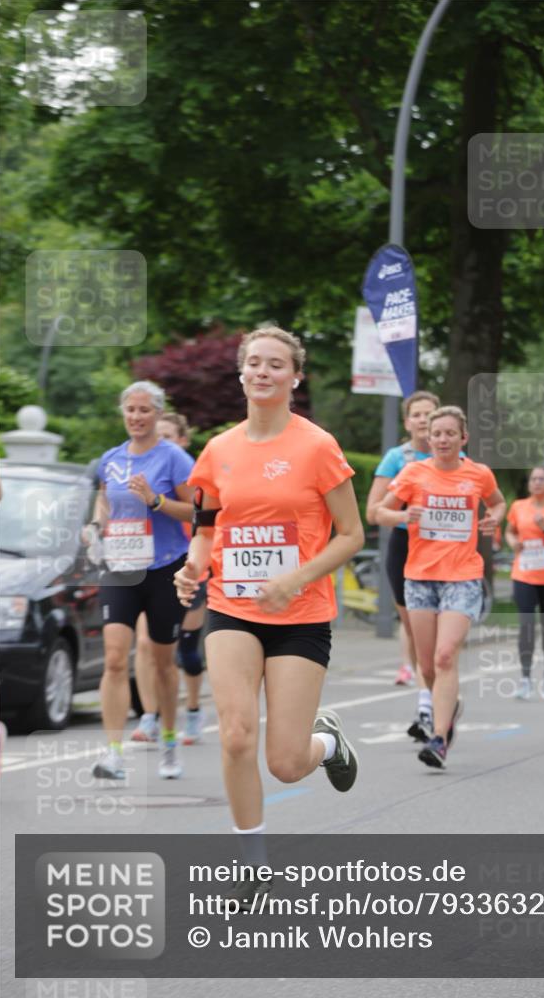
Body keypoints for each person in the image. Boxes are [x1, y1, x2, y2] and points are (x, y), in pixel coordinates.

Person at [173, 326, 363, 862]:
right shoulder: (218, 451)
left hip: (301, 614)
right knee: (235, 734)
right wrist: (192, 568)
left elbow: (352, 534)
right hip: (232, 608)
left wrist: (295, 579)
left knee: (284, 761)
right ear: (241, 373)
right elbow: (207, 529)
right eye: (254, 362)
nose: (263, 371)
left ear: (295, 377)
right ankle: (250, 863)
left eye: (276, 364)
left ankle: (328, 744)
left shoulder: (317, 447)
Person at [376, 406, 506, 769]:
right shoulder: (413, 473)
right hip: (419, 577)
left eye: (451, 433)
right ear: (428, 439)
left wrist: (495, 517)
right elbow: (379, 512)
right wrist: (402, 516)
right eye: (438, 434)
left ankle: (439, 738)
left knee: (446, 656)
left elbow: (497, 502)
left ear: (463, 438)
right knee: (428, 665)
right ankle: (446, 708)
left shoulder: (478, 474)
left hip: (462, 575)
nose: (443, 439)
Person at [84, 381, 194, 780]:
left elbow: (198, 513)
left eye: (145, 410)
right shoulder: (111, 459)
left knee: (163, 663)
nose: (136, 417)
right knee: (115, 657)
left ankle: (168, 741)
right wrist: (96, 525)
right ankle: (113, 754)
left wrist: (156, 500)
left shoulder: (174, 458)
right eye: (130, 409)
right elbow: (104, 500)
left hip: (164, 567)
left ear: (158, 413)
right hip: (121, 565)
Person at [365, 390, 440, 740]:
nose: (423, 420)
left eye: (430, 414)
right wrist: (405, 515)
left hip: (444, 550)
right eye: (418, 414)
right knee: (415, 629)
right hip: (406, 546)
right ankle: (426, 700)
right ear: (407, 421)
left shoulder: (455, 457)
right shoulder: (398, 458)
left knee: (442, 634)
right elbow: (373, 510)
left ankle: (438, 695)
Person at [131, 412, 208, 746]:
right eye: (156, 436)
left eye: (168, 437)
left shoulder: (192, 476)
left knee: (186, 652)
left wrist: (159, 502)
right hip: (155, 569)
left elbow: (203, 518)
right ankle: (150, 716)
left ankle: (192, 709)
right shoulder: (146, 476)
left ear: (183, 441)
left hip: (193, 567)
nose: (160, 444)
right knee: (147, 645)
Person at [505, 468, 544, 700]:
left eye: (542, 479)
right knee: (526, 624)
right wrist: (513, 543)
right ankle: (524, 678)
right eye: (533, 479)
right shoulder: (518, 507)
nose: (537, 483)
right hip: (524, 574)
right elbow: (510, 532)